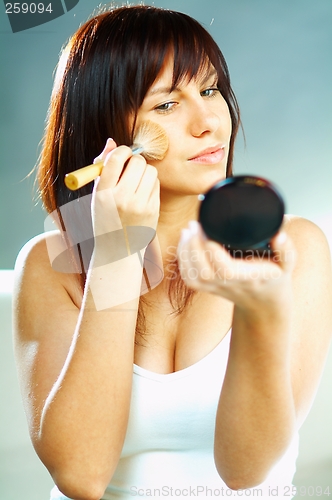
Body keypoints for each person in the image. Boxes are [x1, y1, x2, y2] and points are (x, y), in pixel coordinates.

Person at [13, 5, 332, 500]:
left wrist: (261, 312)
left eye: (209, 91)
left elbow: (246, 470)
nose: (209, 122)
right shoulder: (51, 261)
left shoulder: (292, 246)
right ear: (107, 128)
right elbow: (81, 476)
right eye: (166, 105)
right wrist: (117, 252)